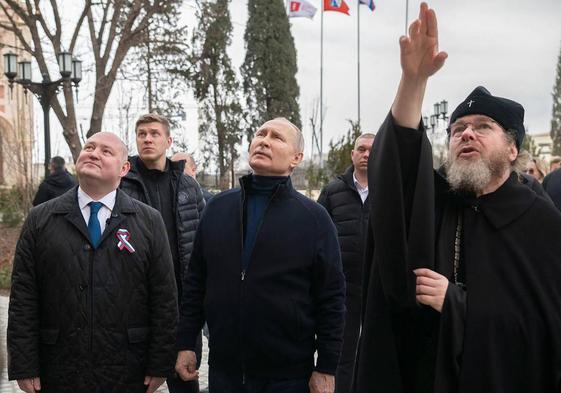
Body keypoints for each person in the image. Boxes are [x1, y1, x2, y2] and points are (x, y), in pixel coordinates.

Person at [354, 4, 561, 393]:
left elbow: (544, 333)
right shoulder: (436, 204)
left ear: (513, 149)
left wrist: (457, 303)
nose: (467, 134)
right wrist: (413, 81)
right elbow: (397, 169)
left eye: (484, 127)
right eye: (458, 129)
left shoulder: (541, 223)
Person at [175, 117, 346, 393]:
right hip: (224, 372)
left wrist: (326, 366)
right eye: (260, 134)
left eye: (276, 137)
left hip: (287, 377)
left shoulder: (314, 219)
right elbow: (196, 282)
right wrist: (185, 343)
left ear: (296, 158)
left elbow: (332, 299)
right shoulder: (217, 208)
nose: (264, 140)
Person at [8, 132, 178, 393]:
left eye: (106, 151)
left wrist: (160, 363)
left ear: (124, 168)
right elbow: (23, 297)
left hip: (127, 369)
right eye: (89, 147)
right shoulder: (40, 219)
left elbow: (164, 297)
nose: (94, 153)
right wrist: (24, 364)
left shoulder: (149, 221)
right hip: (58, 368)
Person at [119, 113, 205, 393]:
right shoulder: (121, 183)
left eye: (154, 133)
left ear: (167, 141)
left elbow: (203, 240)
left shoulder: (188, 185)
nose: (147, 138)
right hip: (136, 304)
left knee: (185, 384)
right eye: (141, 133)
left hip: (182, 304)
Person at [317, 133, 374, 393]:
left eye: (372, 150)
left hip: (376, 286)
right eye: (361, 149)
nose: (366, 155)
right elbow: (317, 235)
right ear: (352, 154)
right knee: (342, 351)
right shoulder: (332, 191)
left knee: (375, 349)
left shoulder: (390, 189)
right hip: (343, 287)